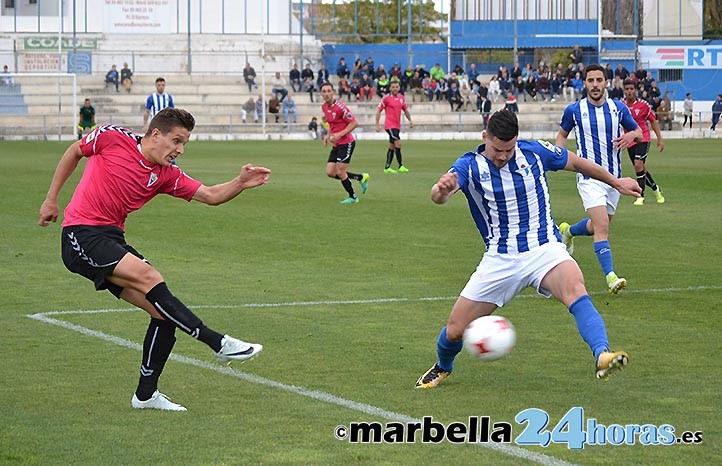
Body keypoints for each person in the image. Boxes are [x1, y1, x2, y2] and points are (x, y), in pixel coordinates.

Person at [37, 108, 270, 411]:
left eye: (185, 143)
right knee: (151, 278)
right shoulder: (112, 138)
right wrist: (51, 198)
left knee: (163, 314)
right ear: (156, 134)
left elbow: (211, 195)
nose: (180, 150)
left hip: (111, 240)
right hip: (81, 234)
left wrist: (240, 183)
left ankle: (145, 395)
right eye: (177, 141)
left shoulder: (165, 175)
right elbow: (74, 151)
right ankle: (218, 343)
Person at [415, 109, 637, 389]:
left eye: (509, 149)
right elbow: (439, 197)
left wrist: (616, 182)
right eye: (497, 149)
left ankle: (602, 354)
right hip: (500, 258)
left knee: (575, 288)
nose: (503, 156)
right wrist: (442, 189)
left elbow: (578, 164)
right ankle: (443, 367)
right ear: (485, 138)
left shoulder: (534, 152)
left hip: (545, 248)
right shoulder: (468, 165)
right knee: (456, 329)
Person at [556, 64, 642, 295]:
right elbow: (562, 136)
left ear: (606, 83)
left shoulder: (618, 108)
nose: (595, 85)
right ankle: (611, 276)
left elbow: (640, 132)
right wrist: (557, 156)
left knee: (597, 226)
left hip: (615, 180)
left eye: (599, 80)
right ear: (584, 83)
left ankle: (568, 231)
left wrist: (631, 135)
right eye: (590, 80)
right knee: (602, 226)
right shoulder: (574, 110)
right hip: (588, 177)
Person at [320, 82, 369, 204]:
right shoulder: (324, 107)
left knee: (340, 171)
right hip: (336, 144)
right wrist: (328, 135)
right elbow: (332, 124)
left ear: (333, 92)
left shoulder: (340, 107)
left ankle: (353, 197)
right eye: (324, 91)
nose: (326, 94)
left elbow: (354, 123)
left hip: (347, 142)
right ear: (321, 94)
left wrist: (340, 134)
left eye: (328, 91)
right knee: (330, 172)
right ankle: (361, 177)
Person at [622, 78, 666, 206]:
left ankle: (640, 196)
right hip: (630, 141)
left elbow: (653, 121)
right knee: (641, 169)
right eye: (627, 89)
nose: (629, 91)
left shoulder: (643, 105)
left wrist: (659, 139)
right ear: (624, 91)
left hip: (643, 138)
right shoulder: (621, 106)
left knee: (638, 163)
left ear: (635, 90)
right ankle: (656, 189)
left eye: (631, 89)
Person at [375, 80, 414, 174]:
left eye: (397, 87)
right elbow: (378, 110)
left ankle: (387, 167)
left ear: (399, 88)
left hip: (397, 126)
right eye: (393, 87)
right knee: (398, 143)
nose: (395, 89)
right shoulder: (386, 99)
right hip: (389, 125)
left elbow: (406, 110)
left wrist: (410, 120)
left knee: (392, 146)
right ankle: (400, 166)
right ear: (390, 88)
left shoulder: (401, 98)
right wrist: (377, 124)